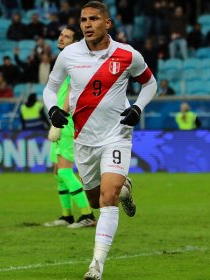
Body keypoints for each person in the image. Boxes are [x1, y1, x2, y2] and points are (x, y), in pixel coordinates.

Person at [43, 2, 157, 279]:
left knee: (108, 199)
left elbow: (151, 83)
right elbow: (51, 88)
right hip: (84, 140)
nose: (87, 24)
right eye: (83, 19)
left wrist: (138, 107)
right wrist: (53, 109)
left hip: (116, 136)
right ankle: (126, 190)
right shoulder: (69, 55)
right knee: (95, 200)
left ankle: (96, 265)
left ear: (108, 24)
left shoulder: (127, 54)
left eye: (94, 18)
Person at [44, 25, 96, 229]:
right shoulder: (63, 61)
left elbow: (72, 91)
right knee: (58, 172)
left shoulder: (74, 62)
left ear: (75, 42)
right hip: (59, 120)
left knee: (65, 172)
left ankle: (87, 214)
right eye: (60, 34)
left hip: (66, 122)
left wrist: (61, 118)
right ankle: (67, 215)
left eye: (66, 36)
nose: (61, 38)